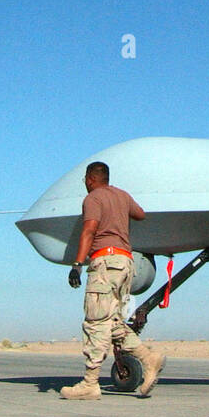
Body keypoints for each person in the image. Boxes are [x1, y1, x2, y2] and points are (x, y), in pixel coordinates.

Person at [60, 161, 166, 401]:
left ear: (90, 179)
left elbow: (89, 230)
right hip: (126, 263)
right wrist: (120, 210)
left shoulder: (93, 198)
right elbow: (140, 214)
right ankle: (149, 359)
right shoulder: (122, 195)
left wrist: (77, 265)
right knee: (113, 322)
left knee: (95, 321)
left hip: (105, 262)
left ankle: (90, 383)